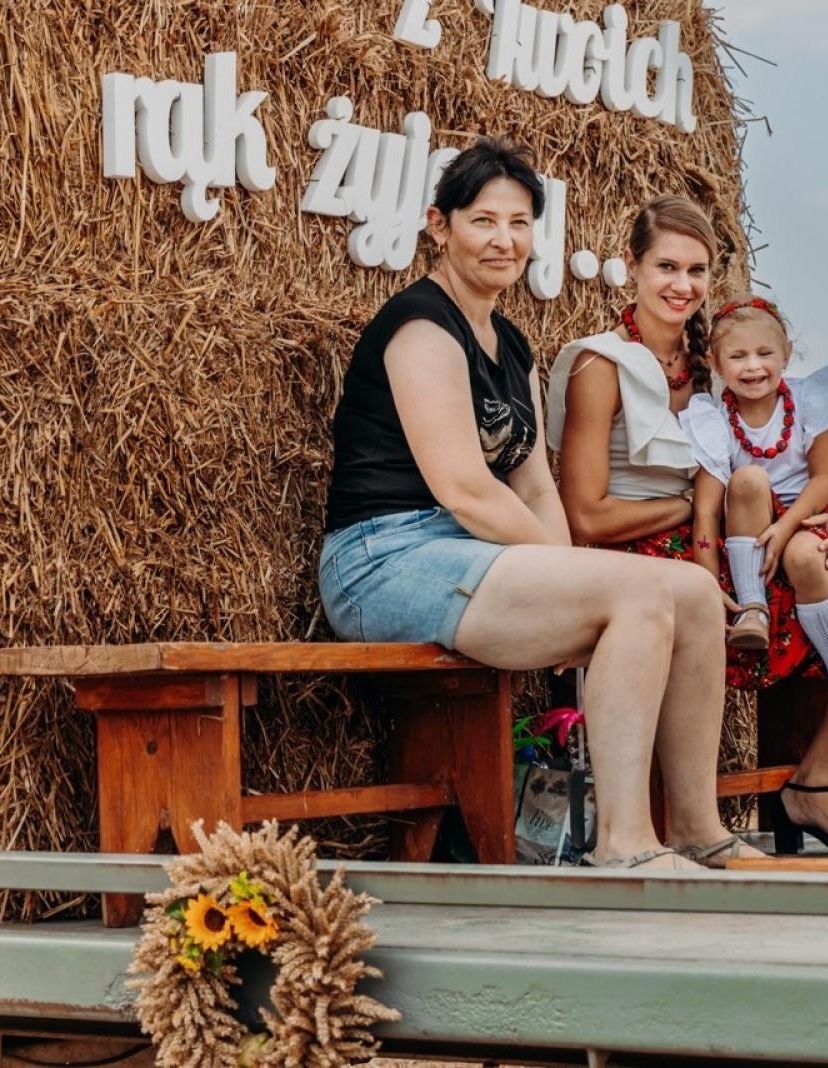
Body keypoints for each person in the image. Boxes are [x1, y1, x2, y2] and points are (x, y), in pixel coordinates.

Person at [316, 138, 761, 871]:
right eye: (483, 220)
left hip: (469, 549)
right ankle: (623, 843)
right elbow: (463, 487)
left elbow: (533, 484)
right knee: (642, 593)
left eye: (519, 223)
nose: (504, 240)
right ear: (440, 226)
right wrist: (572, 568)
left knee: (693, 592)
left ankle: (697, 826)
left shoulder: (510, 344)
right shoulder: (421, 328)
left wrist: (571, 567)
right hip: (386, 556)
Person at [547, 195, 828, 862]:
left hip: (754, 532)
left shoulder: (725, 361)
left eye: (698, 270)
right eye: (666, 267)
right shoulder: (602, 367)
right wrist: (691, 507)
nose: (683, 286)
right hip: (661, 551)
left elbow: (817, 450)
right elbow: (585, 514)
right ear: (632, 266)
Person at [680, 295, 828, 742]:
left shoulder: (809, 400)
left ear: (786, 354)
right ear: (714, 362)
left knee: (809, 558)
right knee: (747, 479)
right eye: (737, 356)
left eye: (765, 353)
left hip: (805, 514)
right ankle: (753, 609)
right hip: (748, 523)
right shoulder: (712, 420)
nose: (753, 366)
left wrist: (787, 527)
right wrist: (708, 583)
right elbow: (708, 510)